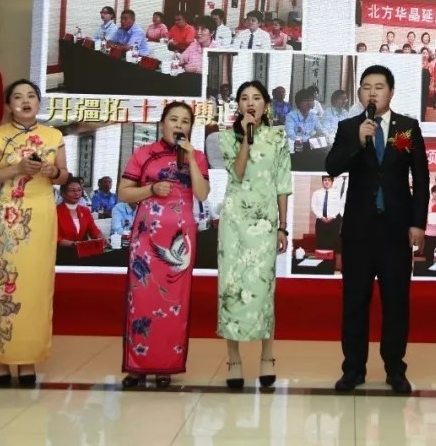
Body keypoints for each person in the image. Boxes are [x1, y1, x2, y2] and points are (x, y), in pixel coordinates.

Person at [325, 65, 429, 393]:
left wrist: (418, 222)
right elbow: (332, 165)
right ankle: (353, 369)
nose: (372, 92)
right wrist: (357, 142)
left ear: (391, 92)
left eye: (379, 86)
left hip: (396, 230)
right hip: (359, 230)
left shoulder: (407, 128)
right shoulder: (349, 127)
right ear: (359, 93)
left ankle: (395, 369)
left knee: (396, 302)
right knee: (355, 302)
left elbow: (421, 178)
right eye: (366, 87)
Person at [0, 78, 68, 387]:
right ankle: (0, 361)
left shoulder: (53, 135)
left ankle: (28, 360)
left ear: (39, 102)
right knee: (4, 285)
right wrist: (16, 169)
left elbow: (63, 176)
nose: (25, 101)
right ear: (8, 105)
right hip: (6, 219)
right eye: (17, 97)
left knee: (35, 288)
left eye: (31, 96)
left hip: (40, 217)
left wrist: (53, 171)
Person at [117, 102, 210, 389]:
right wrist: (151, 189)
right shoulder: (144, 154)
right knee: (142, 299)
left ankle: (165, 365)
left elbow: (202, 194)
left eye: (185, 121)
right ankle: (137, 366)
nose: (179, 125)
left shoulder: (197, 156)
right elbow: (123, 193)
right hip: (147, 239)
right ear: (162, 123)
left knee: (174, 303)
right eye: (173, 119)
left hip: (180, 243)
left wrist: (191, 159)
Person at [216, 81, 292, 388]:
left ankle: (267, 357)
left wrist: (283, 226)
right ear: (238, 106)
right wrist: (246, 139)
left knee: (263, 289)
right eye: (245, 98)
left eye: (256, 98)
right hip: (234, 224)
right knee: (231, 289)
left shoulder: (278, 137)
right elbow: (237, 173)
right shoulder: (226, 137)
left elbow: (283, 184)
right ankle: (234, 359)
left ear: (266, 105)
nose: (250, 103)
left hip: (265, 224)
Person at [55, 177, 103, 245]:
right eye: (72, 190)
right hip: (62, 250)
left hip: (83, 249)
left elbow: (94, 230)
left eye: (79, 190)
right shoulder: (55, 212)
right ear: (63, 193)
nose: (77, 193)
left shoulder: (85, 210)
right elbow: (55, 237)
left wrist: (101, 237)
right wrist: (73, 244)